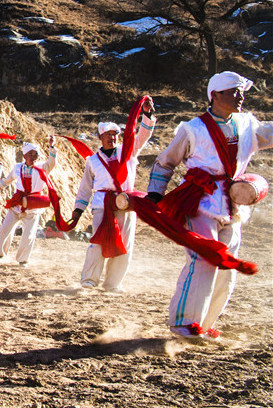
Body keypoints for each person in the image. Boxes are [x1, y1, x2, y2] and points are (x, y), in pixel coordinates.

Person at [147, 72, 272, 340]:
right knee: (204, 259)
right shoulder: (192, 129)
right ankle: (183, 323)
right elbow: (166, 161)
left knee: (226, 266)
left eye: (241, 92)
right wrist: (155, 194)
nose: (240, 97)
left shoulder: (247, 125)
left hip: (233, 203)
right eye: (234, 92)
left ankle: (204, 322)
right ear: (215, 95)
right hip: (199, 201)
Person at [70, 102, 156, 292]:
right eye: (108, 135)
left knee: (124, 244)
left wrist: (147, 115)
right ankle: (89, 280)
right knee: (98, 241)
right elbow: (85, 187)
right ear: (100, 137)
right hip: (102, 205)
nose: (112, 138)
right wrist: (78, 210)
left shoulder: (128, 153)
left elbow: (142, 136)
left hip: (126, 204)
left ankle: (113, 283)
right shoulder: (93, 161)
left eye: (115, 134)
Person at [0, 138, 58, 267]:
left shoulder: (42, 167)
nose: (33, 157)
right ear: (24, 155)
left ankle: (23, 259)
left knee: (29, 234)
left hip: (33, 205)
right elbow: (8, 180)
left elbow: (52, 162)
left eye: (35, 154)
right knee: (5, 228)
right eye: (30, 154)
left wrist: (52, 147)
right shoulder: (17, 167)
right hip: (17, 203)